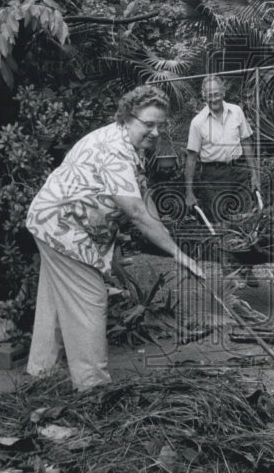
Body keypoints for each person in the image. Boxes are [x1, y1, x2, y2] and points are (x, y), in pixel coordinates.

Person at [26, 84, 204, 391]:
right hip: (63, 228)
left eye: (160, 125)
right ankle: (93, 388)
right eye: (148, 124)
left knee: (55, 298)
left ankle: (42, 374)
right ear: (127, 118)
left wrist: (166, 240)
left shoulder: (129, 144)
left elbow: (143, 198)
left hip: (53, 222)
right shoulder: (115, 150)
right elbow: (135, 212)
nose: (155, 131)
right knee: (90, 299)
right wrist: (179, 254)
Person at [184, 75, 260, 283]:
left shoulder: (236, 112)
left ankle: (247, 268)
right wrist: (189, 192)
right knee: (220, 226)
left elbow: (246, 143)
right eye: (209, 95)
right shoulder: (197, 122)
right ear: (203, 96)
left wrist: (254, 174)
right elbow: (191, 158)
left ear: (223, 93)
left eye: (217, 93)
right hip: (212, 176)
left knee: (246, 219)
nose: (214, 98)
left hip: (238, 171)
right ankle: (230, 275)